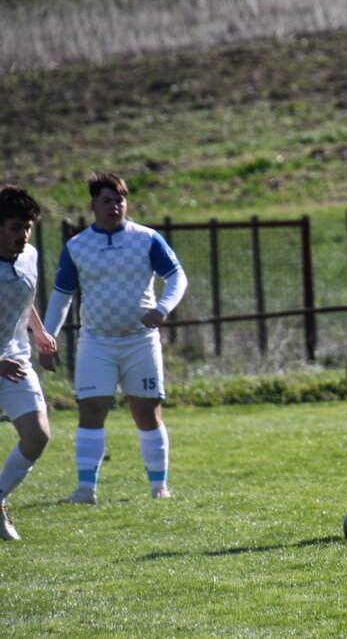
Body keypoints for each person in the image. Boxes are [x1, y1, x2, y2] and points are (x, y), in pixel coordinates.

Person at [42, 173, 188, 505]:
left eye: (120, 200)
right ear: (93, 205)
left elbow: (177, 277)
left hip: (141, 342)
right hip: (96, 342)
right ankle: (85, 491)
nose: (115, 206)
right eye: (107, 201)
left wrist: (163, 308)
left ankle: (159, 488)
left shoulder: (146, 238)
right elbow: (62, 296)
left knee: (147, 413)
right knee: (91, 411)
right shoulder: (77, 247)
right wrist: (47, 338)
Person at [0, 187, 58, 540]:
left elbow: (23, 292)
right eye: (15, 227)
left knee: (37, 435)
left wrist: (39, 331)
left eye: (28, 227)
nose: (23, 235)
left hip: (15, 361)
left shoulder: (29, 255)